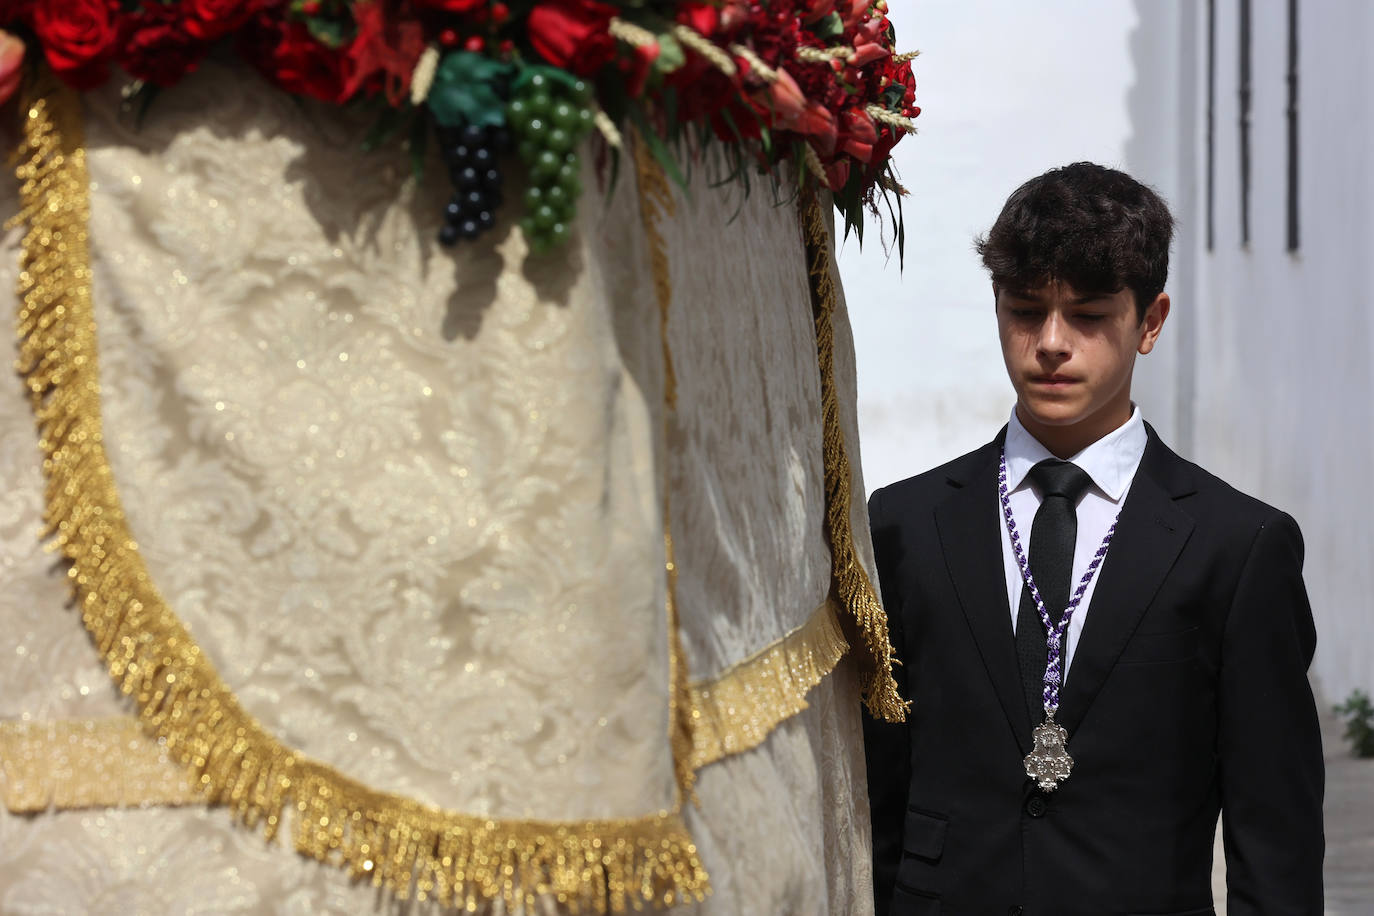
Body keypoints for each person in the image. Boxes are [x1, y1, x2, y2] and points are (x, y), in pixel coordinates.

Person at [862, 162, 1324, 915]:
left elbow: (1276, 836)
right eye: (1025, 311)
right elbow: (877, 792)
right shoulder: (907, 524)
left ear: (1150, 322)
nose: (1050, 343)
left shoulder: (1237, 546)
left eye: (1088, 315)